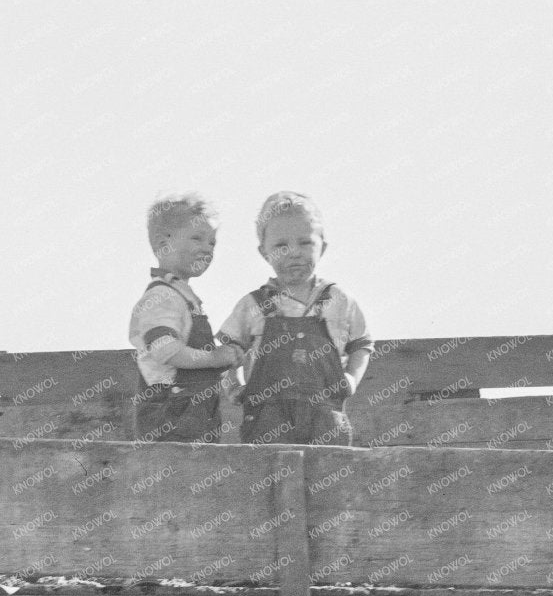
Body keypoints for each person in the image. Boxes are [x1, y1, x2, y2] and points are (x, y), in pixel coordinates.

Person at [217, 191, 375, 447]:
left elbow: (362, 344)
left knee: (328, 477)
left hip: (326, 419)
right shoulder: (253, 305)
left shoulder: (339, 301)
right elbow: (225, 351)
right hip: (267, 421)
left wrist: (352, 379)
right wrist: (234, 387)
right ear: (264, 252)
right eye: (281, 246)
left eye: (305, 243)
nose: (294, 253)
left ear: (322, 246)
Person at [127, 194, 244, 444]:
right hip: (170, 416)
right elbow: (165, 350)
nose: (207, 248)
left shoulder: (185, 297)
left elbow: (199, 359)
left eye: (212, 242)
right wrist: (214, 357)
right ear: (163, 244)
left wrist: (229, 378)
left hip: (197, 417)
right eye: (197, 238)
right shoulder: (161, 296)